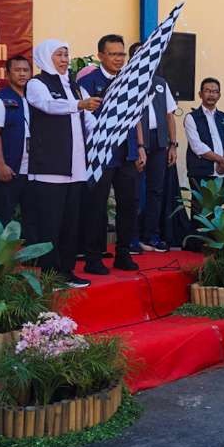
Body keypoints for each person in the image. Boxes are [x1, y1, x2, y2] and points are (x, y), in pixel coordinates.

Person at [24, 39, 101, 288]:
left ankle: (66, 272)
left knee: (70, 224)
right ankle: (49, 275)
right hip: (49, 169)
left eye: (67, 54)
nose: (65, 59)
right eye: (59, 55)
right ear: (46, 57)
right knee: (49, 226)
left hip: (76, 168)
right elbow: (47, 105)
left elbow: (88, 120)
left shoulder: (75, 87)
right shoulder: (37, 84)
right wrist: (78, 105)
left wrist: (105, 130)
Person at [76, 34, 142, 275]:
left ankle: (123, 253)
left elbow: (135, 117)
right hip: (100, 153)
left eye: (122, 54)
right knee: (96, 206)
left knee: (129, 204)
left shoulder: (131, 80)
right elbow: (86, 119)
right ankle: (93, 257)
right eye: (113, 54)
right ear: (101, 55)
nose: (119, 59)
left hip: (127, 153)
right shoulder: (88, 82)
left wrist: (140, 147)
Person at [130, 41, 178, 253]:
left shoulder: (160, 82)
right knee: (134, 192)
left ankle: (151, 235)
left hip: (159, 142)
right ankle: (132, 237)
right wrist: (139, 144)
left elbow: (170, 115)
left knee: (156, 191)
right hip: (137, 143)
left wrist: (173, 144)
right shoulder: (128, 82)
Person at [0, 55, 33, 226]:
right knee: (3, 217)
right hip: (8, 170)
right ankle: (1, 253)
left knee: (31, 219)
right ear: (7, 74)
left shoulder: (33, 99)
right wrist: (0, 164)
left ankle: (30, 253)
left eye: (26, 70)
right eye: (17, 70)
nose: (22, 74)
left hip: (30, 170)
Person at [184, 77, 224, 192]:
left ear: (219, 95)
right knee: (199, 209)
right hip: (201, 173)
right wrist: (221, 160)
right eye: (207, 91)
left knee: (217, 209)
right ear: (200, 94)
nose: (211, 95)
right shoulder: (191, 117)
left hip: (223, 172)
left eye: (215, 92)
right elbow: (197, 146)